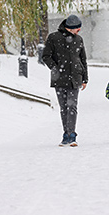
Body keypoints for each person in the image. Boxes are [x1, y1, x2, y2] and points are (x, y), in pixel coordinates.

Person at [42, 15, 88, 147]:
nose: (79, 32)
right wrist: (55, 68)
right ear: (70, 28)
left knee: (72, 106)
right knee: (64, 107)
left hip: (75, 78)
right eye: (77, 29)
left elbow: (83, 60)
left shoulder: (79, 40)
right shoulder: (53, 38)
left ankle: (72, 134)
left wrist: (85, 78)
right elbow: (46, 56)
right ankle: (65, 134)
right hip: (60, 78)